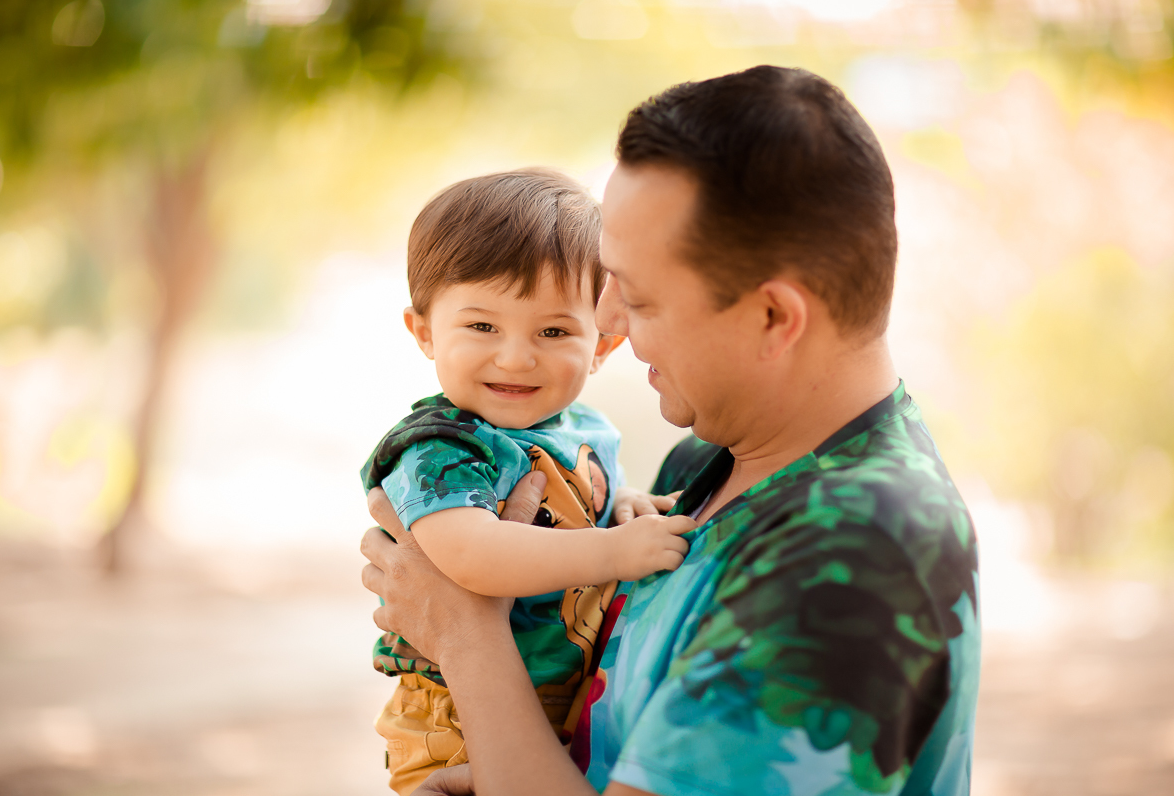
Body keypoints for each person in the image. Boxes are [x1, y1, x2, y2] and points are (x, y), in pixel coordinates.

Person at [361, 65, 981, 796]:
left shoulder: (854, 559)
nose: (610, 328)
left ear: (773, 317)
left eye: (641, 300)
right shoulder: (704, 464)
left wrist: (465, 634)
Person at [360, 168, 696, 796]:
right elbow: (471, 556)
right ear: (425, 332)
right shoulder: (444, 448)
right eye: (482, 327)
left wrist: (621, 503)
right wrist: (615, 551)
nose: (516, 357)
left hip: (552, 706)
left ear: (603, 344)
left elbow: (576, 506)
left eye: (553, 331)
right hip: (455, 722)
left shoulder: (583, 430)